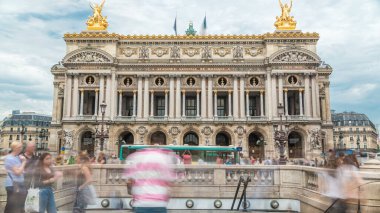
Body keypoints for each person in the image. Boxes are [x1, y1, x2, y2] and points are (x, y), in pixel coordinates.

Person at [123, 148, 175, 213]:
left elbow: (129, 182)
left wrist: (132, 192)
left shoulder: (135, 157)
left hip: (141, 204)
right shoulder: (163, 157)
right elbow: (169, 183)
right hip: (159, 204)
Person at [4, 141, 27, 213]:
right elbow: (17, 172)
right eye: (19, 147)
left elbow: (21, 170)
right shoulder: (9, 158)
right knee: (11, 206)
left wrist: (21, 168)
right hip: (12, 185)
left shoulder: (17, 157)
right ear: (14, 148)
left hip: (20, 183)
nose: (21, 148)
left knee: (20, 205)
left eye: (21, 147)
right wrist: (24, 162)